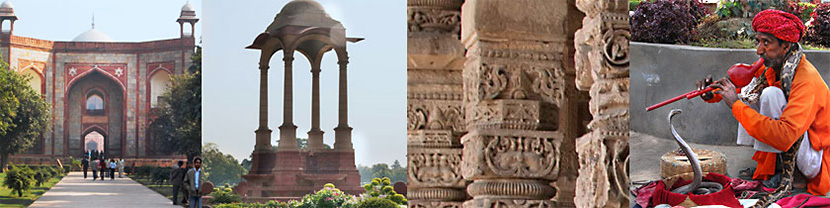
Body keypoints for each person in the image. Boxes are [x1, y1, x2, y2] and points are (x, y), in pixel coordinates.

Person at [698, 9, 830, 195]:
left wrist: (735, 105)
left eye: (766, 43)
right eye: (758, 41)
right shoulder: (775, 67)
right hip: (797, 144)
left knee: (768, 95)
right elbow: (743, 90)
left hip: (814, 160)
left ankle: (796, 177)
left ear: (786, 46)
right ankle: (772, 168)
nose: (759, 50)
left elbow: (784, 136)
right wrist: (713, 93)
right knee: (755, 94)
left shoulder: (805, 78)